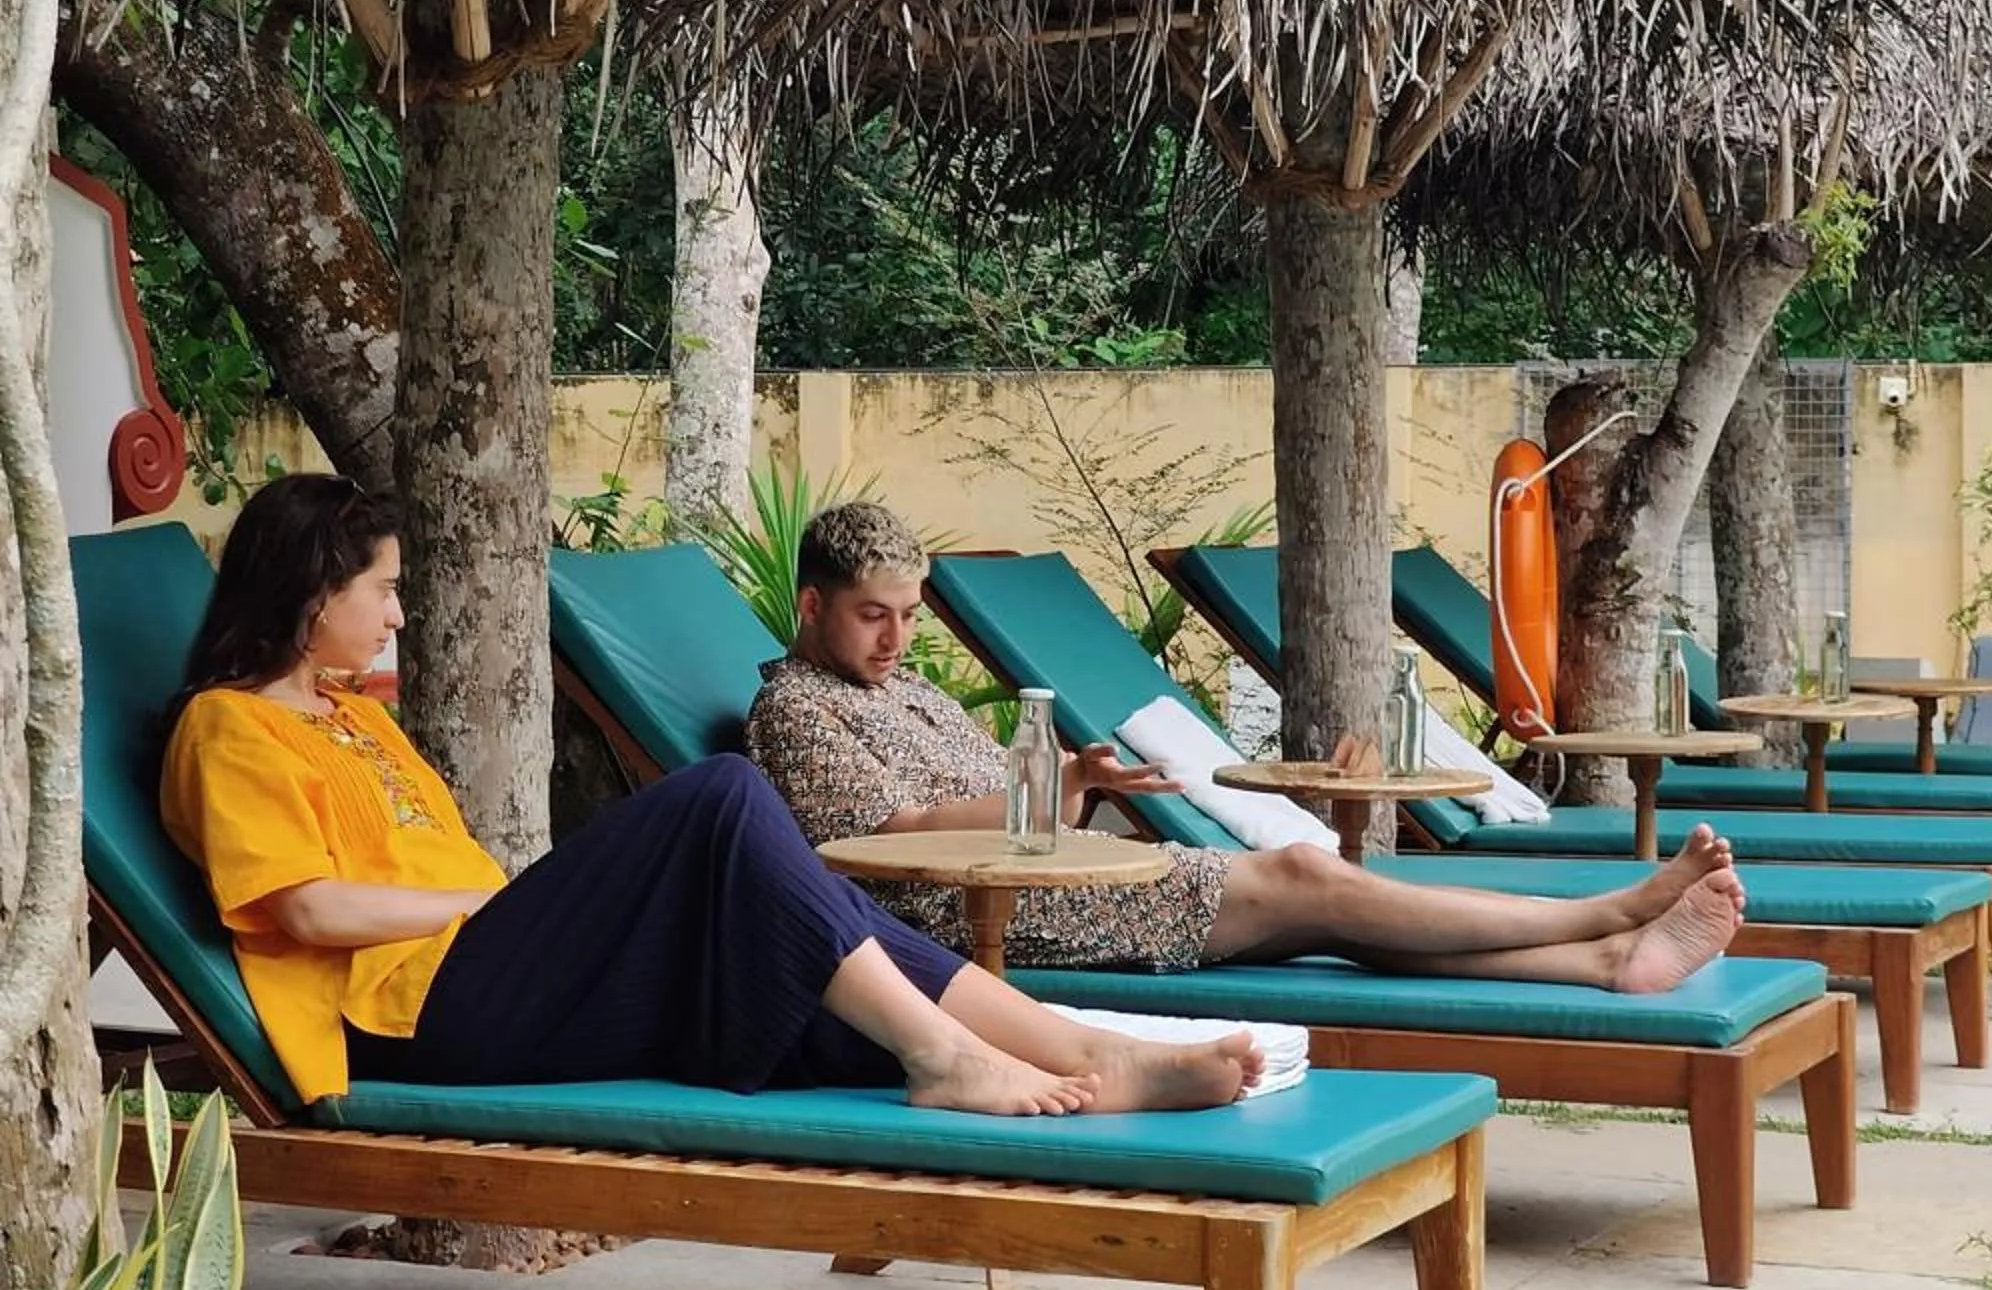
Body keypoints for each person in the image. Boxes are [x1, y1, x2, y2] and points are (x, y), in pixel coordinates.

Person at [161, 475, 1268, 1122]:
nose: (399, 615)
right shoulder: (229, 728)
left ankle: (1081, 1053)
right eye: (383, 591)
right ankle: (949, 1058)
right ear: (310, 594)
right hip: (415, 1013)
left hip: (489, 968)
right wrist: (481, 906)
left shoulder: (352, 717)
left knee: (798, 941)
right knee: (724, 796)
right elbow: (306, 909)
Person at [745, 504, 1746, 991]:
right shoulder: (798, 710)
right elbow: (893, 838)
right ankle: (1605, 912)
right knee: (1311, 875)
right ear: (813, 606)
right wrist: (1061, 785)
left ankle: (1608, 958)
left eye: (911, 615)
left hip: (1063, 881)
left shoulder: (907, 688)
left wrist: (1072, 789)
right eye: (874, 616)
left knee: (1338, 919)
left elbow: (1004, 807)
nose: (897, 638)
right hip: (985, 918)